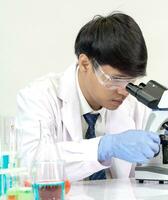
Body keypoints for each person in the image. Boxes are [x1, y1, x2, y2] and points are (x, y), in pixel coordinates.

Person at [15, 12, 160, 181]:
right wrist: (102, 147)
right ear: (85, 63)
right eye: (115, 79)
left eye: (131, 82)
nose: (124, 92)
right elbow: (31, 165)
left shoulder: (137, 104)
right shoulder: (39, 97)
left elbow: (157, 174)